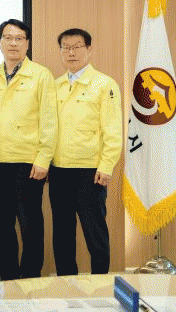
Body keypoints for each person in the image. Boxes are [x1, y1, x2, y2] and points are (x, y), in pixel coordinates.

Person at [0, 19, 57, 281]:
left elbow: (49, 121)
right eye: (8, 37)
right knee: (2, 225)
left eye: (19, 38)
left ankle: (31, 277)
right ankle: (8, 277)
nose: (13, 43)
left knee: (29, 223)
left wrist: (44, 159)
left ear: (27, 43)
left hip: (28, 162)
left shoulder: (41, 75)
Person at [49, 28, 122, 275]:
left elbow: (113, 130)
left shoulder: (104, 84)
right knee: (62, 233)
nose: (71, 52)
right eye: (65, 47)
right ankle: (66, 282)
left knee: (94, 231)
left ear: (89, 50)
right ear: (60, 52)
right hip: (59, 170)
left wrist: (107, 165)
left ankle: (100, 283)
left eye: (77, 46)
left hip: (90, 171)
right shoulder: (55, 85)